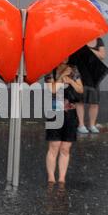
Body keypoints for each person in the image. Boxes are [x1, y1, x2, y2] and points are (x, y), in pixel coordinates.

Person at [45, 58, 84, 186]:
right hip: (55, 111)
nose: (65, 58)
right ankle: (51, 177)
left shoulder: (73, 69)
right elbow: (52, 89)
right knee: (54, 146)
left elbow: (80, 89)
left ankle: (62, 177)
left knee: (65, 148)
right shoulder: (49, 69)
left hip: (70, 112)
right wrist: (62, 76)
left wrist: (71, 80)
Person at [76, 38, 106, 134]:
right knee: (80, 100)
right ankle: (81, 125)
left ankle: (92, 125)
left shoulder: (99, 41)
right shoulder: (79, 41)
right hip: (81, 74)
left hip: (93, 75)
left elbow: (102, 55)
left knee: (94, 102)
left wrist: (89, 50)